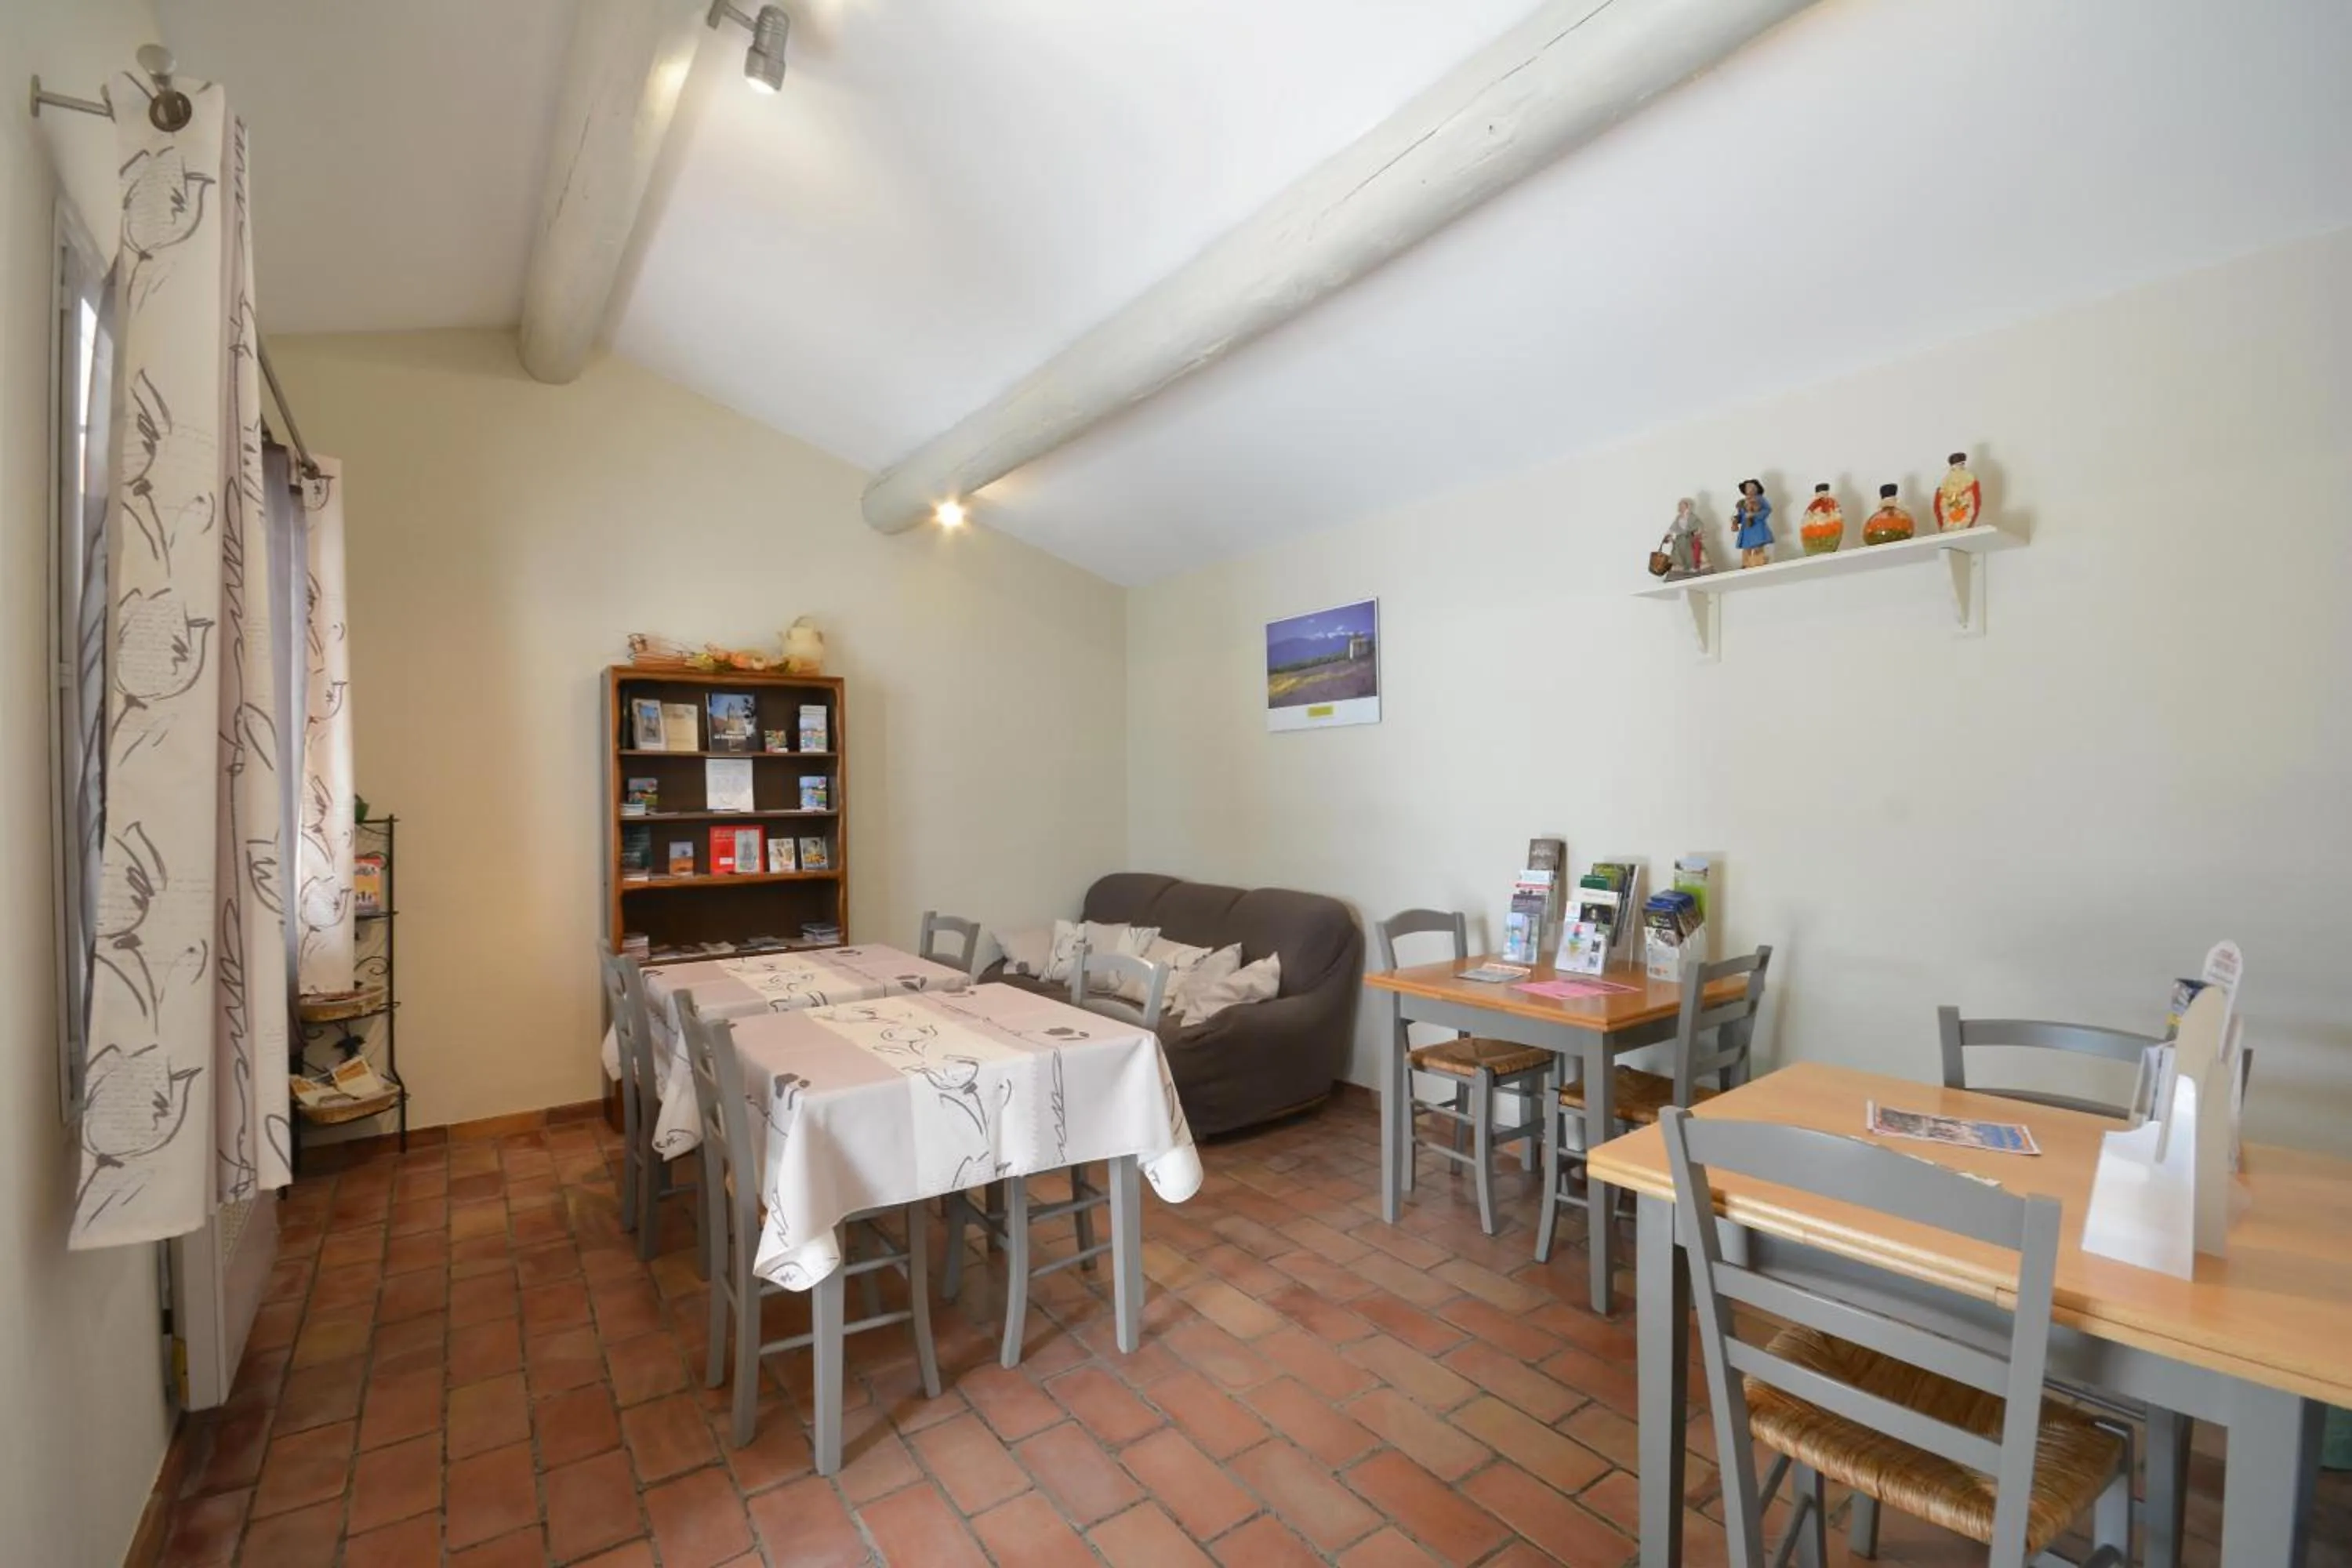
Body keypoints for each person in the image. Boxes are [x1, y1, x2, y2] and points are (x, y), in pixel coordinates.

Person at [1733, 478, 1773, 568]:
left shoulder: (1760, 499)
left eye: (1753, 486)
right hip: (1746, 529)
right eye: (1749, 487)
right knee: (1746, 548)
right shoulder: (1742, 502)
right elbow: (1741, 515)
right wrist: (1736, 520)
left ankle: (1758, 562)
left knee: (1758, 546)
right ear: (1744, 490)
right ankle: (1746, 564)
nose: (1751, 489)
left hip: (1757, 527)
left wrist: (1755, 515)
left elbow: (1768, 510)